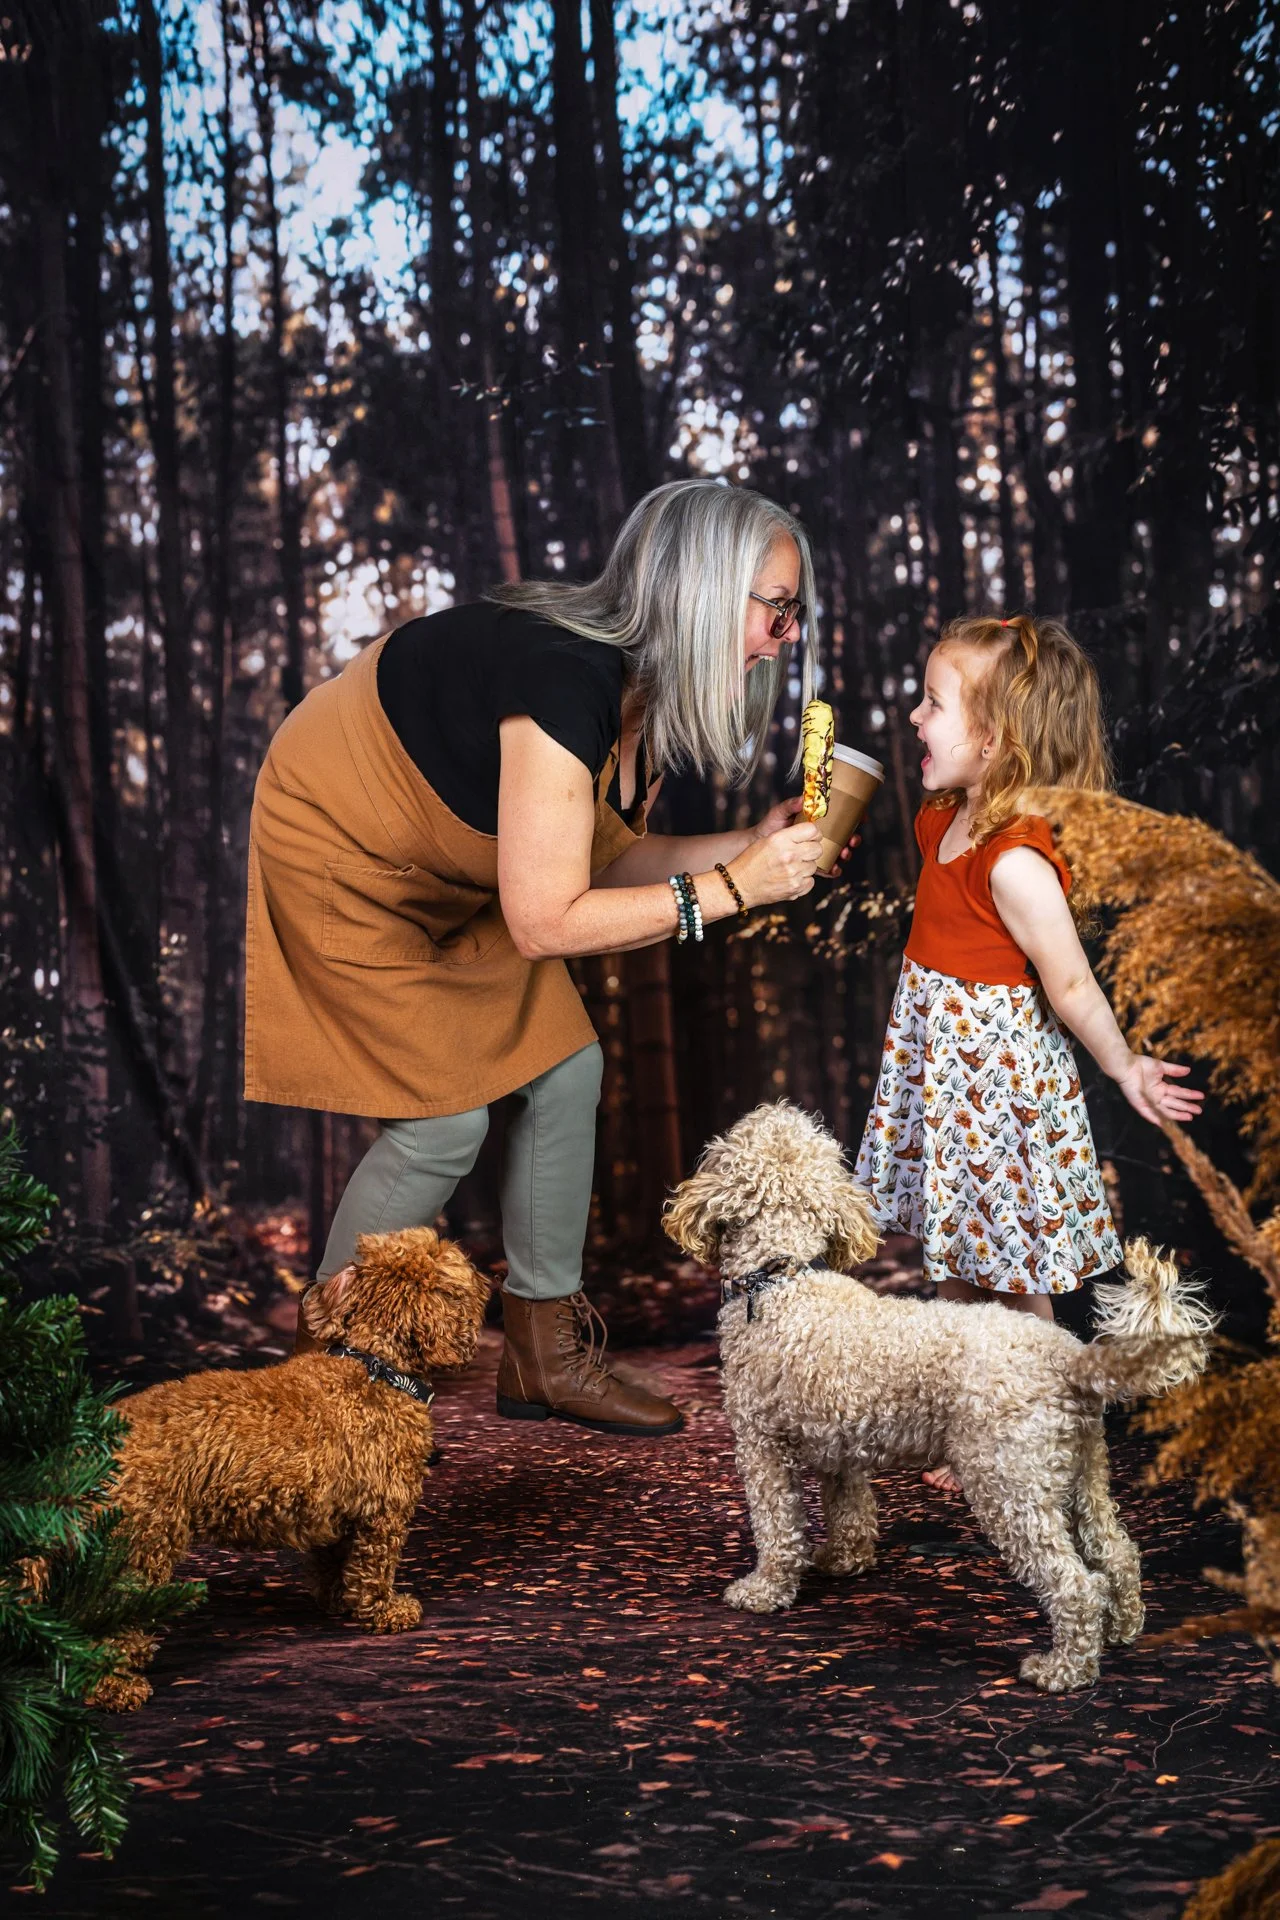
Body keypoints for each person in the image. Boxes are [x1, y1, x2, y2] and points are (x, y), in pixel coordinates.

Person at [245, 478, 849, 1436]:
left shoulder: (637, 700)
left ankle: (542, 1355)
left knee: (566, 1068)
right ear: (697, 591)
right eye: (774, 607)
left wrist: (747, 846)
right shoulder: (566, 676)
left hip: (456, 867)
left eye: (793, 612)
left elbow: (604, 862)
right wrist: (736, 890)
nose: (786, 635)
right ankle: (317, 1401)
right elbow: (545, 920)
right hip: (345, 849)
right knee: (441, 1128)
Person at [853, 613, 1203, 1490]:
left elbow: (1072, 985)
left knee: (1014, 1272)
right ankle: (964, 1421)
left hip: (1000, 1094)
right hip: (947, 1082)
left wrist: (1126, 1069)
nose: (915, 720)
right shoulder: (945, 821)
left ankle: (1047, 1434)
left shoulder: (1015, 862)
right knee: (960, 1256)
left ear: (996, 737)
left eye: (934, 704)